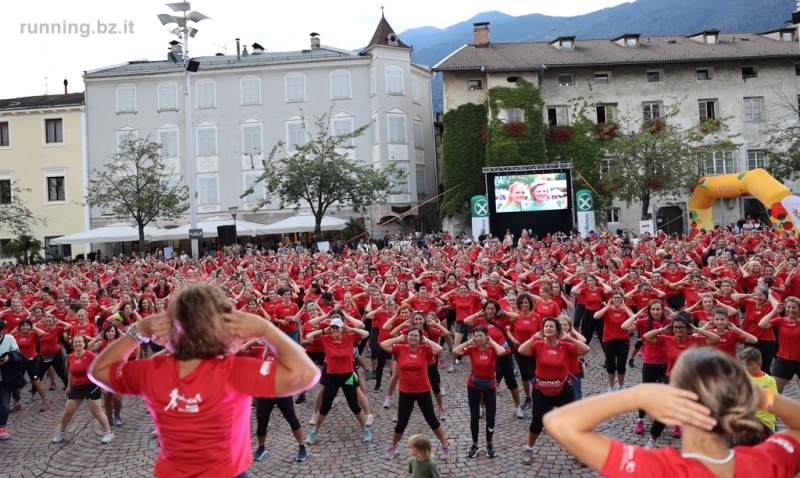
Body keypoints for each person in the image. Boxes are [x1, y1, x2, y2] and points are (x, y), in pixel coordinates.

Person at [88, 283, 320, 478]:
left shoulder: (152, 371)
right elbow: (307, 373)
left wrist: (139, 331)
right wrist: (264, 328)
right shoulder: (234, 372)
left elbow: (98, 371)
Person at [544, 347, 800, 478]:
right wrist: (761, 396)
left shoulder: (660, 470)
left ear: (674, 406)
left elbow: (559, 422)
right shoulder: (766, 464)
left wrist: (637, 395)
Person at [517, 317, 590, 465]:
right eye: (546, 326)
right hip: (541, 390)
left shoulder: (565, 346)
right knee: (537, 422)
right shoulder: (537, 345)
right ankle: (529, 448)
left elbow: (585, 349)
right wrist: (533, 337)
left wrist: (569, 337)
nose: (548, 328)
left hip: (563, 389)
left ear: (557, 330)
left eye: (551, 326)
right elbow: (521, 350)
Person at [642, 312, 720, 448]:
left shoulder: (695, 340)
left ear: (687, 329)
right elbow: (646, 336)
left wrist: (698, 330)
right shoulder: (668, 339)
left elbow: (715, 338)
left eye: (681, 328)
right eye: (675, 327)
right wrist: (663, 329)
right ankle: (653, 439)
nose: (678, 330)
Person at [380, 326, 450, 460]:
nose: (412, 338)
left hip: (423, 391)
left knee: (432, 421)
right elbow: (383, 344)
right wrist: (399, 338)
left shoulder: (425, 349)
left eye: (416, 336)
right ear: (406, 337)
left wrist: (426, 340)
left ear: (420, 338)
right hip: (406, 392)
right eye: (410, 335)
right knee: (401, 423)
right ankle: (393, 446)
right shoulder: (400, 348)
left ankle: (444, 445)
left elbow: (439, 349)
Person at [304, 317, 372, 445]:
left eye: (337, 327)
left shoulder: (350, 337)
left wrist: (350, 328)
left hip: (348, 377)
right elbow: (308, 336)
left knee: (354, 407)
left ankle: (365, 429)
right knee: (324, 408)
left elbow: (366, 333)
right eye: (333, 327)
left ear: (342, 328)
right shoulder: (326, 339)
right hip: (332, 377)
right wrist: (324, 330)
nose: (335, 330)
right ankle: (315, 431)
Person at [241, 340, 307, 463]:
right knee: (261, 422)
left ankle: (302, 447)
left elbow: (303, 351)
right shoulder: (260, 351)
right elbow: (243, 349)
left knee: (292, 419)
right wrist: (255, 341)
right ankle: (261, 448)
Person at [452, 325, 506, 458]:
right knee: (474, 416)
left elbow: (502, 352)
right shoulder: (472, 349)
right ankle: (475, 444)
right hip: (473, 385)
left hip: (490, 386)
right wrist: (469, 341)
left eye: (480, 335)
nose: (478, 338)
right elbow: (456, 350)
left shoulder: (493, 349)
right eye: (476, 336)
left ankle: (488, 443)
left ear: (486, 336)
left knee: (491, 416)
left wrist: (492, 342)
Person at [52, 334, 115, 444]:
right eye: (75, 342)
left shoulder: (91, 355)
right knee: (67, 412)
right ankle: (62, 432)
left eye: (80, 342)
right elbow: (71, 372)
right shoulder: (71, 356)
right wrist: (69, 386)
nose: (77, 344)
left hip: (92, 386)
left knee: (97, 412)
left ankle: (108, 433)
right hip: (77, 387)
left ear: (84, 343)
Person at [593, 290, 633, 392]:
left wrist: (624, 306)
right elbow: (596, 316)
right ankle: (611, 387)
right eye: (615, 298)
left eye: (619, 298)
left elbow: (634, 318)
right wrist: (607, 307)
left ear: (622, 299)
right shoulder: (607, 310)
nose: (616, 300)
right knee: (610, 366)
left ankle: (621, 386)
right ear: (612, 299)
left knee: (621, 366)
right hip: (608, 341)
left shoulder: (626, 309)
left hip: (623, 341)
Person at [758, 296, 800, 393]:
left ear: (799, 309)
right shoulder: (780, 321)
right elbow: (762, 324)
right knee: (774, 392)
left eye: (794, 307)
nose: (791, 310)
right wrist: (774, 311)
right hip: (783, 361)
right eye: (788, 307)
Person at [739, 348, 777, 445]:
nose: (746, 368)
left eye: (749, 364)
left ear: (759, 364)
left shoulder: (769, 381)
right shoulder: (742, 377)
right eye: (744, 364)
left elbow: (772, 403)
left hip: (764, 422)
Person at [0, 319, 20, 440]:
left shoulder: (9, 339)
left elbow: (18, 354)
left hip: (6, 378)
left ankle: (2, 428)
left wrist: (10, 357)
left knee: (5, 405)